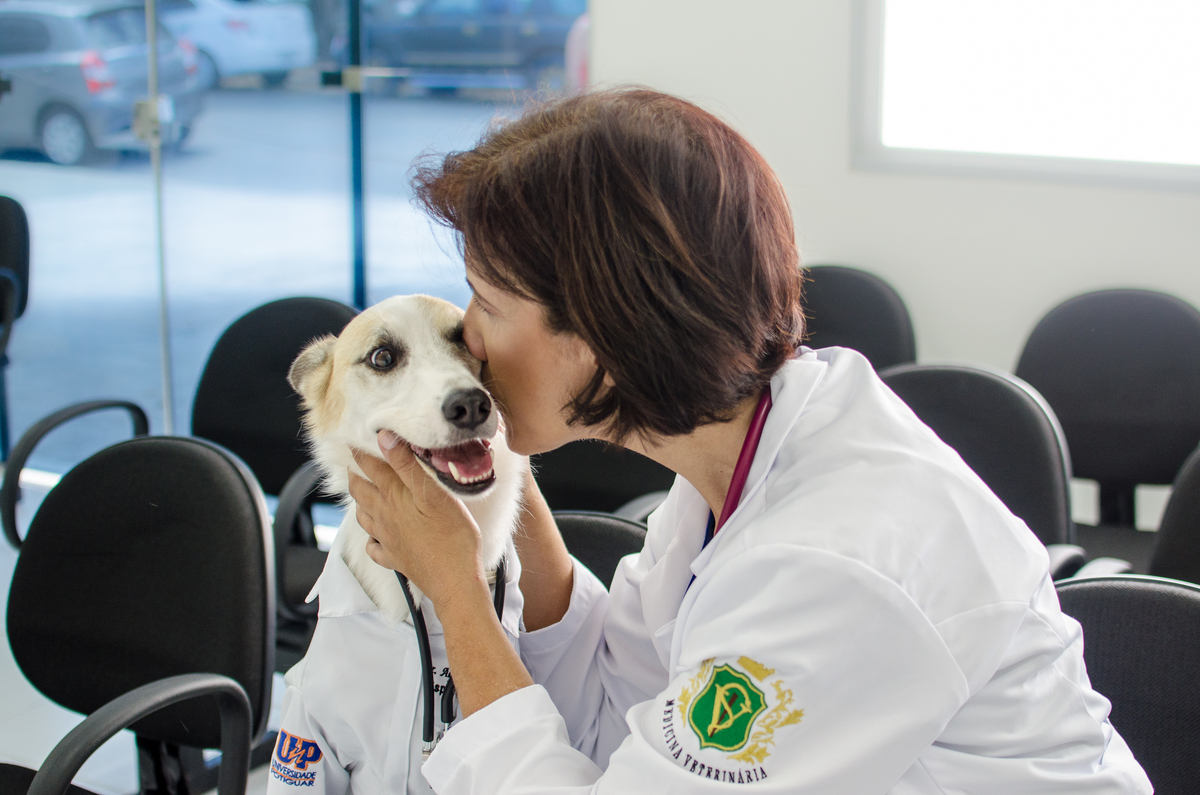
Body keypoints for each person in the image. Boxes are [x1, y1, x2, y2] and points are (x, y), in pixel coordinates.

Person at [347, 88, 1151, 794]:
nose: (469, 342)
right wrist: (495, 486)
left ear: (601, 329)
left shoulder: (835, 562)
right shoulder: (739, 456)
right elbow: (611, 704)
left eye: (485, 302)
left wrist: (456, 590)